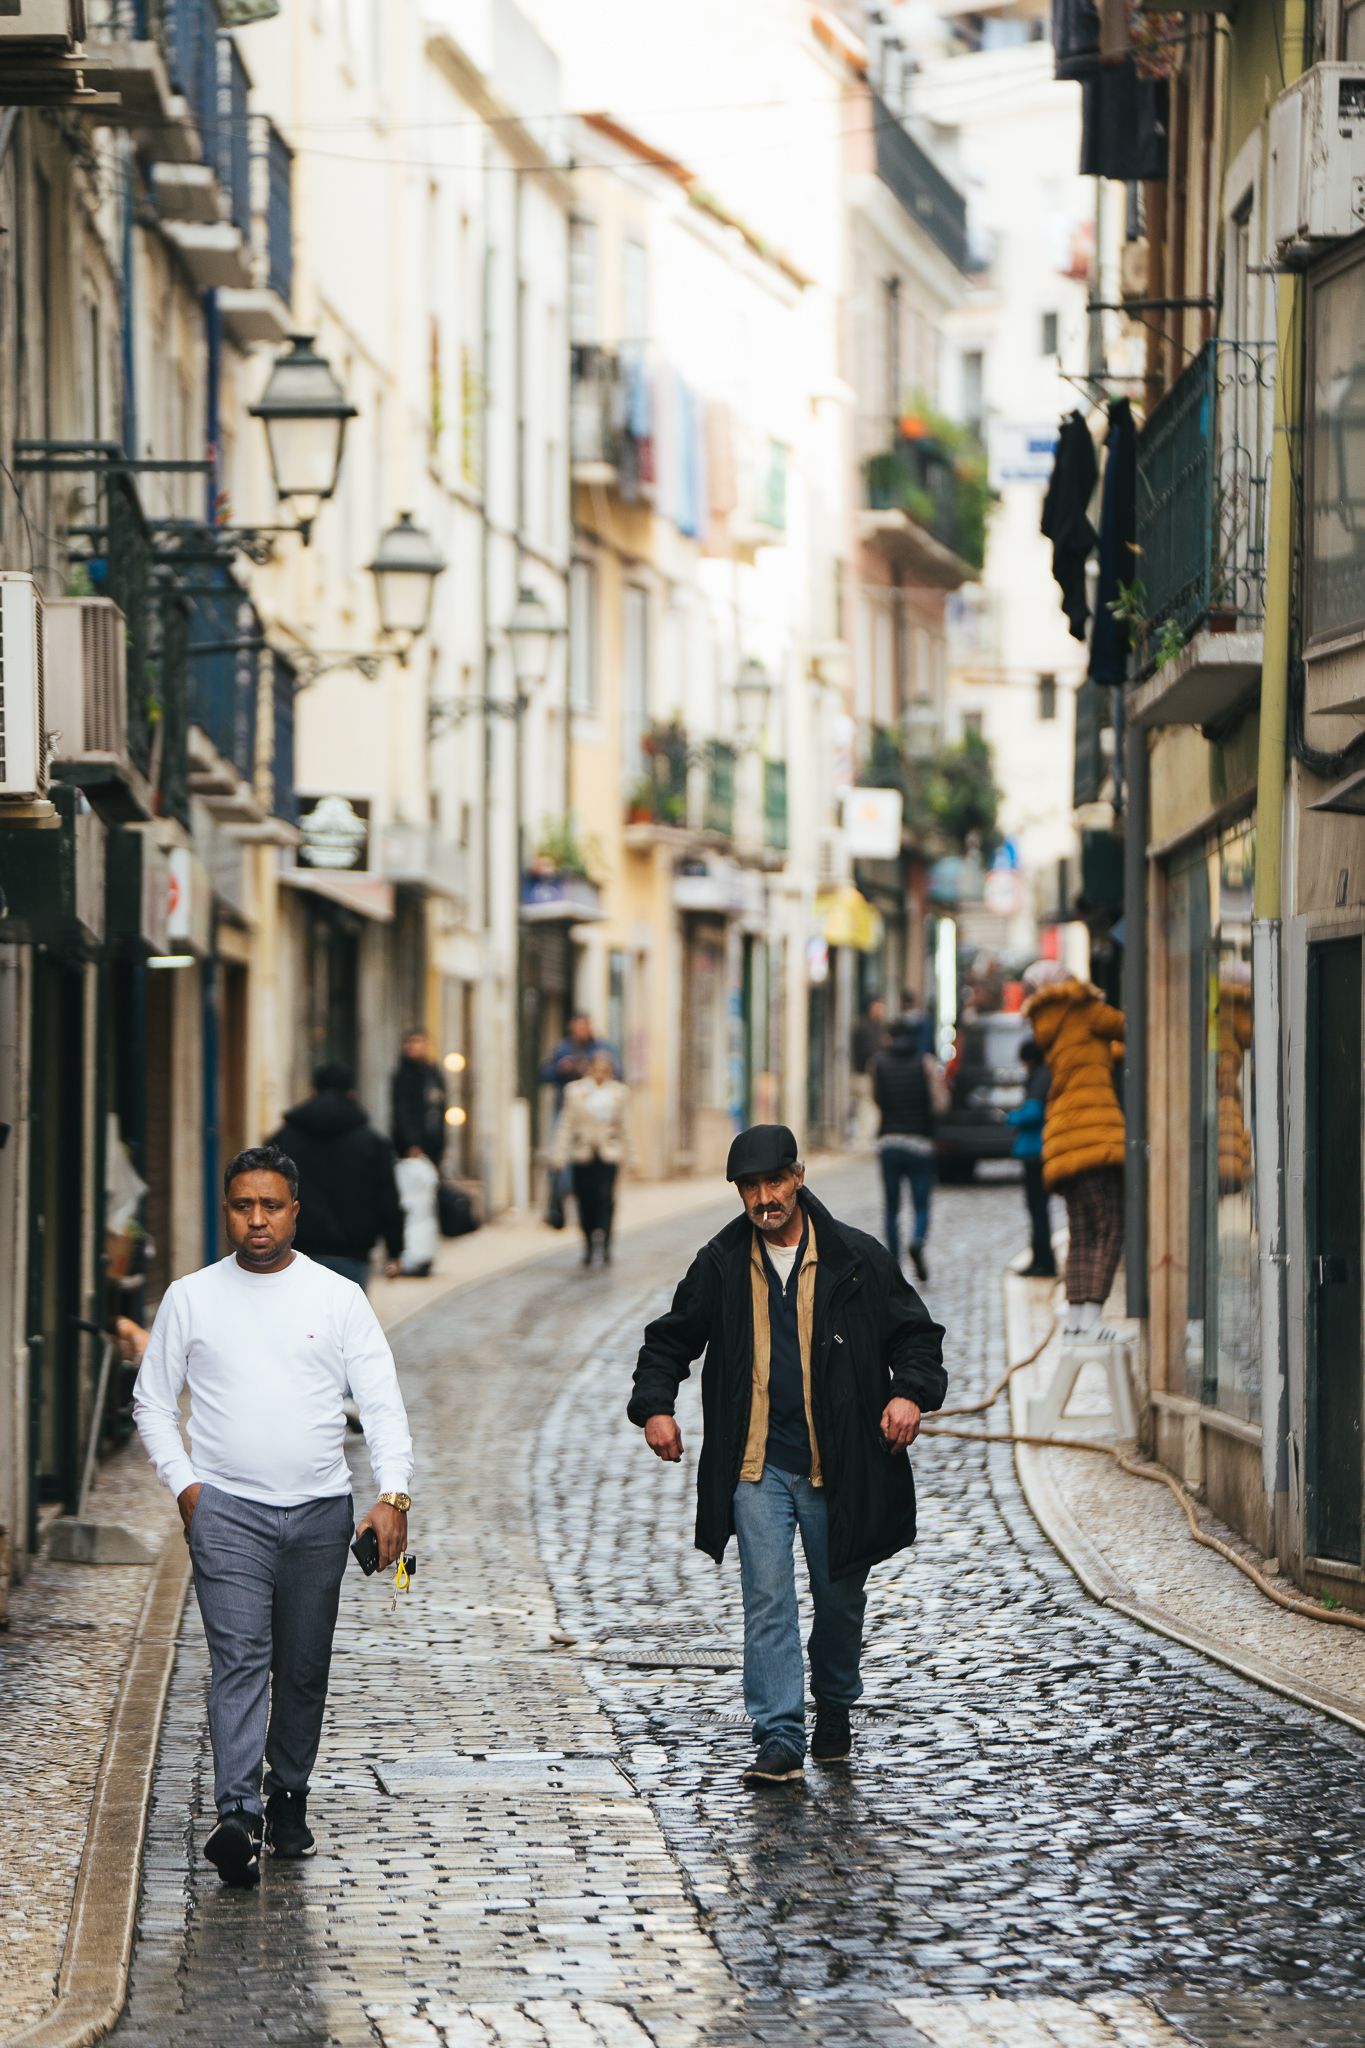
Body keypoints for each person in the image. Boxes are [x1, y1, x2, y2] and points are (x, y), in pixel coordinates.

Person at [629, 1125, 946, 1786]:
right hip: (755, 1466)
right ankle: (778, 1735)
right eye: (750, 1187)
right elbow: (670, 1340)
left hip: (840, 1463)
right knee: (767, 1599)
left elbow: (914, 1335)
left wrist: (908, 1395)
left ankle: (833, 1703)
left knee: (837, 1602)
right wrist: (655, 1406)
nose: (764, 1197)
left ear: (798, 1177)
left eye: (774, 1182)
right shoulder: (719, 1264)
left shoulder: (854, 1259)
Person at [133, 1145, 414, 1889]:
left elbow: (381, 1401)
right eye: (242, 1206)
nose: (256, 1219)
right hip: (227, 1512)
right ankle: (238, 1815)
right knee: (239, 1661)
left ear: (295, 1210)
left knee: (303, 1669)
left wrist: (393, 1495)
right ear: (226, 1211)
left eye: (270, 1205)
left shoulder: (337, 1297)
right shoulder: (191, 1297)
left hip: (321, 1514)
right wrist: (188, 1488)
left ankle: (287, 1795)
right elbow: (153, 1403)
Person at [1022, 962, 1125, 1335]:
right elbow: (1135, 1028)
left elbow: (1083, 1059)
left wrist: (1106, 1055)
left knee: (1082, 1232)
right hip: (1093, 1135)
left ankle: (1078, 1317)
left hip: (1062, 1137)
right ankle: (1096, 1315)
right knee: (1112, 1224)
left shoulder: (1048, 1023)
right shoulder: (1084, 1008)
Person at [268, 1062, 404, 1290]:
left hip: (297, 1252)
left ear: (313, 1092)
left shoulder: (284, 1139)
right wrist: (395, 1250)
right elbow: (387, 1199)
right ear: (352, 1094)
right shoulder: (372, 1142)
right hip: (353, 1253)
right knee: (347, 1323)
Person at [871, 1015, 939, 1284]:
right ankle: (918, 1240)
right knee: (920, 1204)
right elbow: (938, 1102)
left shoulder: (878, 1063)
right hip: (920, 1142)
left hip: (889, 1141)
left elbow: (877, 1097)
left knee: (891, 1206)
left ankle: (894, 1263)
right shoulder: (925, 1062)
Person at [557, 1049, 631, 1266]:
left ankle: (606, 1242)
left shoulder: (619, 1093)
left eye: (604, 1070)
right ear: (589, 1070)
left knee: (606, 1199)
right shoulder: (575, 1091)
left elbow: (624, 1126)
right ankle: (588, 1242)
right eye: (596, 1069)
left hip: (608, 1155)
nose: (600, 1073)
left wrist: (632, 1157)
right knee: (584, 1200)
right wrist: (559, 1155)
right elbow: (566, 1124)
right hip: (583, 1155)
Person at [1008, 1039, 1058, 1279]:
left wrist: (1012, 1118)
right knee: (1037, 1209)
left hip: (1035, 1152)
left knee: (1037, 1209)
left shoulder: (1039, 1078)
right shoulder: (1043, 1075)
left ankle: (1043, 1260)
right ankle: (1041, 1258)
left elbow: (1034, 1112)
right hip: (1037, 1151)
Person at [391, 1029, 448, 1170]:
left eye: (421, 1042)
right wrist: (412, 1143)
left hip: (434, 1141)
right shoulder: (404, 1076)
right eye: (413, 1042)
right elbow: (402, 1111)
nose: (418, 1047)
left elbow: (439, 1107)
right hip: (413, 1145)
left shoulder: (434, 1073)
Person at [537, 1011, 619, 1108]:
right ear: (572, 1027)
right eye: (578, 1027)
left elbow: (617, 1073)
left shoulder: (602, 1048)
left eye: (584, 1027)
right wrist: (560, 1069)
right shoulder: (563, 1049)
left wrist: (589, 1071)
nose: (581, 1030)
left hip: (596, 1104)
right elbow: (544, 1074)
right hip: (566, 1104)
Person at [848, 996, 887, 1144]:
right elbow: (869, 1051)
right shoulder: (865, 1027)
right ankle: (862, 1138)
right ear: (872, 1007)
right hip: (865, 1073)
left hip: (868, 1073)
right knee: (866, 1105)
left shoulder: (877, 1026)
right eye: (880, 1007)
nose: (883, 1011)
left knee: (865, 1106)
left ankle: (863, 1137)